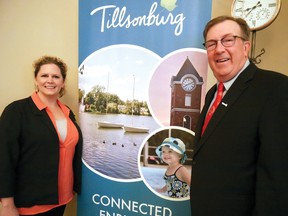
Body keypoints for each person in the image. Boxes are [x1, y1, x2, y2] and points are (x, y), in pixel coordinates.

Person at [190, 15, 288, 216]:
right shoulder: (212, 94)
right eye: (211, 44)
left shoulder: (275, 88)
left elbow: (277, 179)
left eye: (228, 40)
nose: (219, 49)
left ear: (245, 47)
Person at [0, 56, 83, 216]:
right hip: (31, 203)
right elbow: (4, 159)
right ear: (36, 80)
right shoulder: (16, 111)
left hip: (63, 198)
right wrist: (7, 204)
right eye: (44, 75)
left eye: (56, 76)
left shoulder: (67, 112)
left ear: (63, 82)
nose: (50, 80)